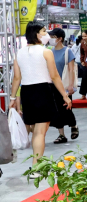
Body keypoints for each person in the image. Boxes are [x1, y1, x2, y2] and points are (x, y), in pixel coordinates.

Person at [9, 22, 72, 173]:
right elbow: (55, 76)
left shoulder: (20, 53)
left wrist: (12, 98)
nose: (46, 34)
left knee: (35, 130)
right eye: (44, 31)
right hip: (43, 90)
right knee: (40, 132)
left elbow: (17, 78)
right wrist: (65, 96)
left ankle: (35, 165)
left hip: (27, 92)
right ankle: (36, 167)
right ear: (36, 34)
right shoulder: (46, 52)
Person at [48, 28, 79, 143]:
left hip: (65, 85)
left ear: (60, 38)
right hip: (53, 85)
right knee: (56, 110)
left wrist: (71, 85)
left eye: (53, 37)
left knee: (66, 108)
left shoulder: (67, 51)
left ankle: (73, 125)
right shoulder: (50, 51)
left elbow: (71, 70)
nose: (51, 39)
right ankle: (61, 134)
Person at [78, 29, 87, 99]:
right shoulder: (82, 44)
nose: (83, 38)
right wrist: (82, 61)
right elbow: (82, 53)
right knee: (84, 78)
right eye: (83, 36)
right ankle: (83, 94)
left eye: (85, 36)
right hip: (85, 64)